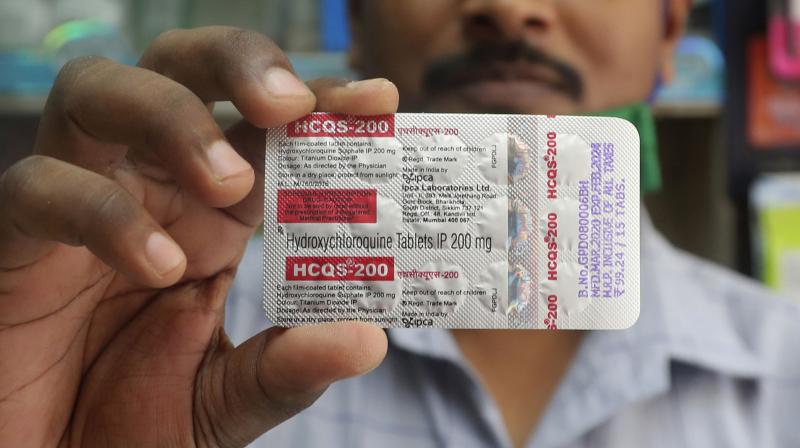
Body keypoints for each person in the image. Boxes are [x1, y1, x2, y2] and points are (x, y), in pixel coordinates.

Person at [0, 0, 798, 447]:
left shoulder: (784, 378)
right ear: (358, 17)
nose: (509, 10)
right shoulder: (158, 343)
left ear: (669, 35)